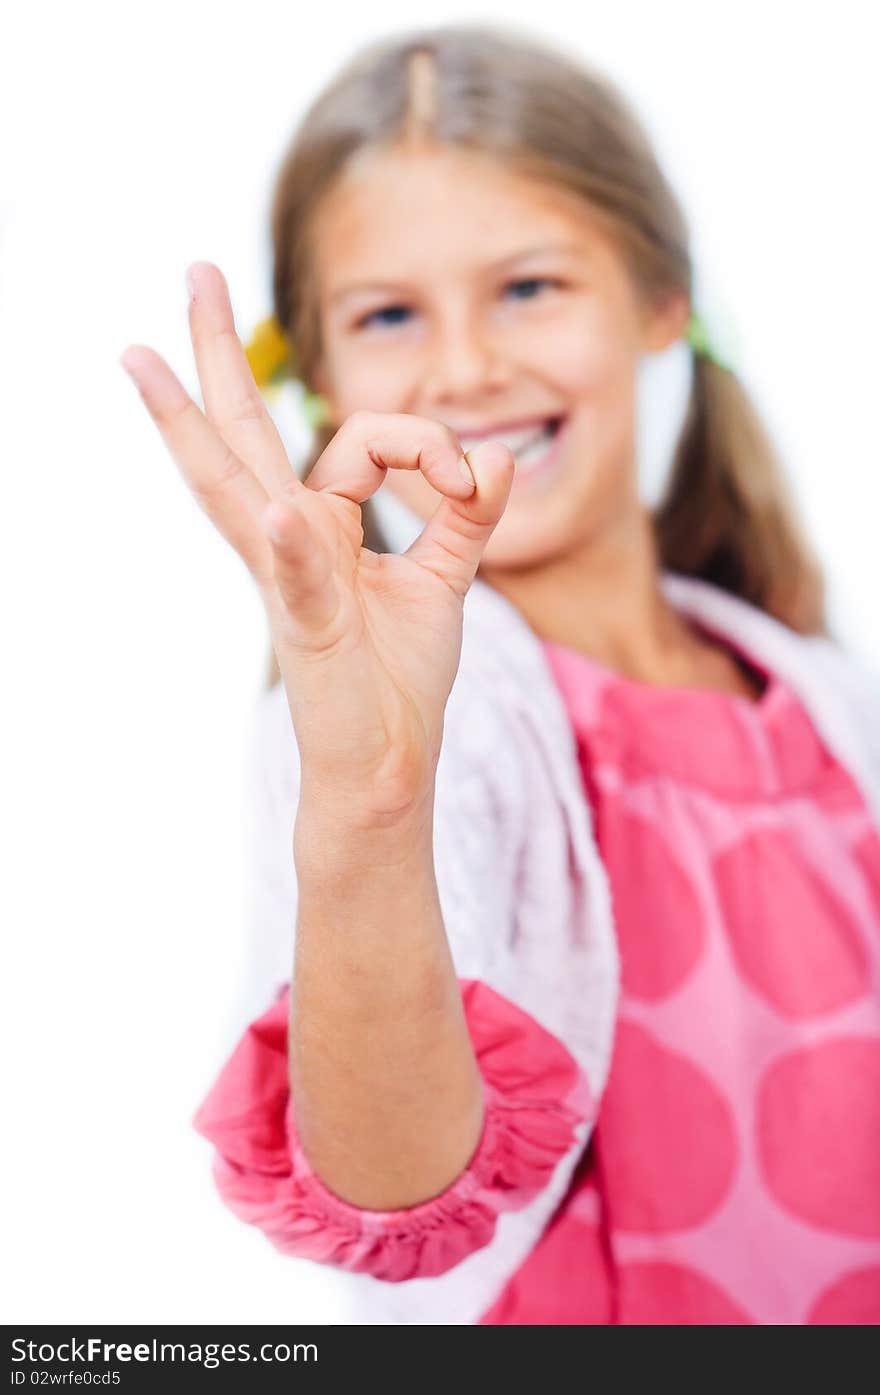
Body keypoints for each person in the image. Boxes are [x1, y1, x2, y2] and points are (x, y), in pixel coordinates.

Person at [120, 25, 880, 1325]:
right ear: (318, 377)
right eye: (390, 314)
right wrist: (368, 796)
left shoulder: (819, 694)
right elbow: (393, 1202)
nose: (467, 367)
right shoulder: (414, 731)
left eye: (528, 287)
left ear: (658, 299)